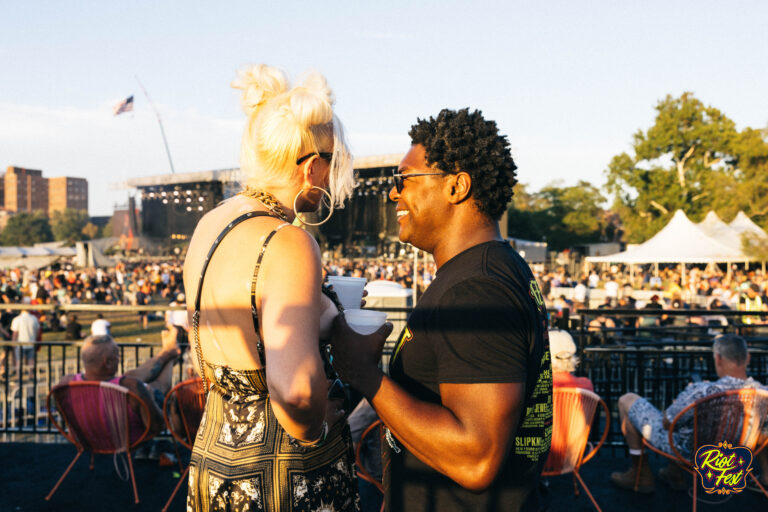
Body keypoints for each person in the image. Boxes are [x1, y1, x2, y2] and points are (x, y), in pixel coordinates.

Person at [331, 108, 553, 511]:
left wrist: (364, 374)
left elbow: (476, 459)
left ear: (457, 186)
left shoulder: (476, 289)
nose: (394, 193)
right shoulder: (489, 271)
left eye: (404, 179)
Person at [183, 64, 360, 511]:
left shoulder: (211, 223)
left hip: (216, 456)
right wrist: (318, 428)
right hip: (282, 473)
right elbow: (297, 391)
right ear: (311, 167)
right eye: (331, 165)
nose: (328, 179)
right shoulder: (289, 242)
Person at [611, 334, 768, 493]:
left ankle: (641, 475)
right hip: (739, 454)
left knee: (627, 400)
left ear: (718, 358)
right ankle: (674, 473)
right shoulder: (764, 394)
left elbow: (667, 423)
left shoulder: (700, 392)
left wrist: (679, 405)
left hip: (691, 455)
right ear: (747, 358)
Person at [56, 330, 181, 442]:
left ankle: (168, 352)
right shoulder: (130, 387)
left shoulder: (66, 383)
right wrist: (149, 397)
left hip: (86, 439)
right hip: (127, 440)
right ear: (108, 363)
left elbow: (64, 415)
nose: (119, 360)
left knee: (130, 378)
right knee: (155, 387)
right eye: (118, 356)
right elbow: (157, 426)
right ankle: (170, 355)